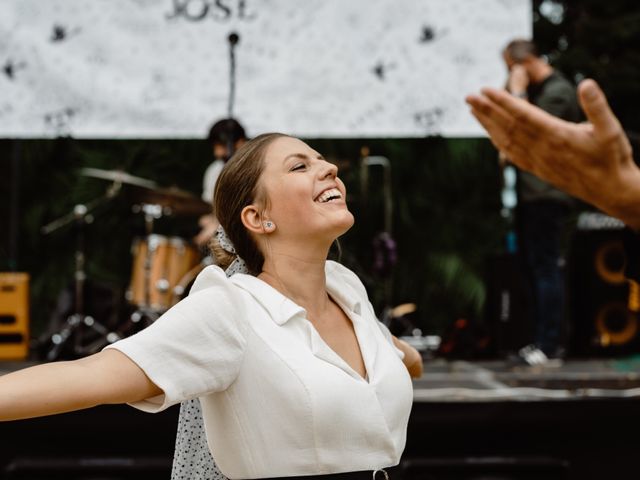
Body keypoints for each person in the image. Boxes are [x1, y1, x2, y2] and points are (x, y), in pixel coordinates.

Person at [1, 133, 423, 480]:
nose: (328, 168)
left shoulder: (346, 289)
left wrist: (404, 356)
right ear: (257, 219)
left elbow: (395, 357)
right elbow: (89, 375)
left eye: (321, 160)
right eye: (300, 166)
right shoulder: (229, 311)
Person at [498, 39, 583, 360]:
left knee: (546, 268)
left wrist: (517, 91)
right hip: (530, 194)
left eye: (510, 68)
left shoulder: (559, 91)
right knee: (530, 268)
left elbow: (534, 130)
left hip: (548, 193)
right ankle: (539, 341)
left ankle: (550, 344)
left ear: (524, 62)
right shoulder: (538, 94)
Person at [465, 79, 640, 232]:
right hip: (537, 194)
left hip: (544, 196)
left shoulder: (556, 92)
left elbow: (532, 129)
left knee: (544, 261)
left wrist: (628, 197)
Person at [194, 118, 248, 247]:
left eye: (221, 146)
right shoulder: (214, 171)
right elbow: (210, 209)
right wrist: (209, 221)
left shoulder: (258, 167)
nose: (217, 153)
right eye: (215, 147)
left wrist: (218, 226)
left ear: (240, 142)